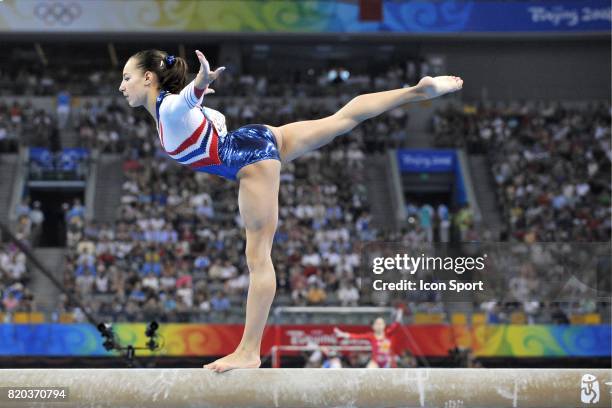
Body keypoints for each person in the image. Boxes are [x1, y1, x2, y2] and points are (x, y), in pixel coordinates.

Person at [118, 49, 463, 372]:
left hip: (248, 161)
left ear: (148, 78)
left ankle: (250, 351)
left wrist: (200, 84)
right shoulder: (173, 110)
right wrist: (199, 96)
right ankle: (416, 91)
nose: (122, 86)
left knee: (258, 257)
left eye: (126, 78)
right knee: (343, 118)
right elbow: (201, 115)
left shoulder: (168, 109)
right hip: (261, 137)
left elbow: (184, 104)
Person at [334, 308, 404, 368]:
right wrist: (343, 334)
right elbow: (357, 336)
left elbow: (396, 325)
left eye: (381, 323)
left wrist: (399, 315)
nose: (379, 325)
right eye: (377, 323)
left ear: (384, 325)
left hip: (387, 362)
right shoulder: (371, 336)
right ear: (373, 326)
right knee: (368, 372)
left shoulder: (388, 333)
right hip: (375, 362)